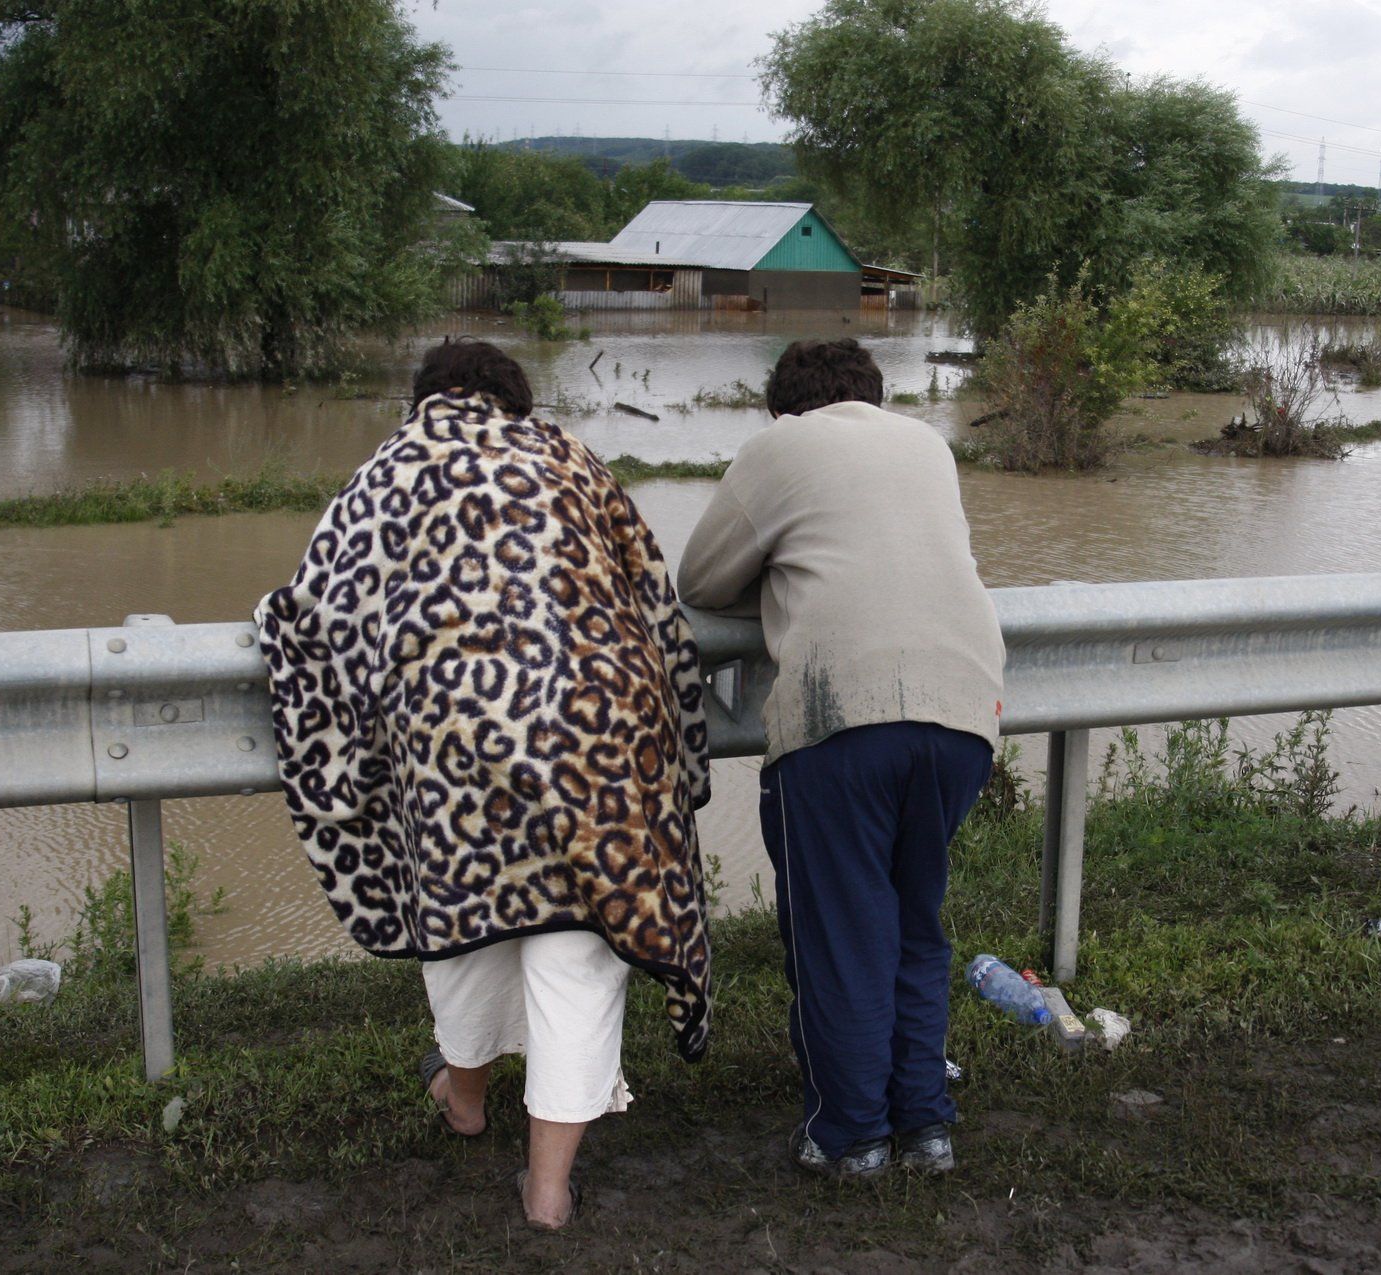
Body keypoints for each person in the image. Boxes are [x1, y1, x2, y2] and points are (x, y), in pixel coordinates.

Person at [254, 337, 712, 1229]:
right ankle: (548, 1190)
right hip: (600, 732)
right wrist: (682, 747)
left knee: (464, 926)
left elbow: (315, 608)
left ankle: (465, 1103)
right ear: (518, 401)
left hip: (456, 740)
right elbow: (657, 600)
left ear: (423, 398)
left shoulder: (388, 468)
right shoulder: (572, 456)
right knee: (579, 946)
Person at [676, 338, 1004, 1179]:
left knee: (843, 932)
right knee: (912, 924)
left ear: (783, 407)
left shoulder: (781, 446)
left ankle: (851, 1134)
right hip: (965, 710)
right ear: (875, 395)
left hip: (843, 716)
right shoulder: (927, 444)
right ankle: (926, 1127)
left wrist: (782, 572)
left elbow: (702, 579)